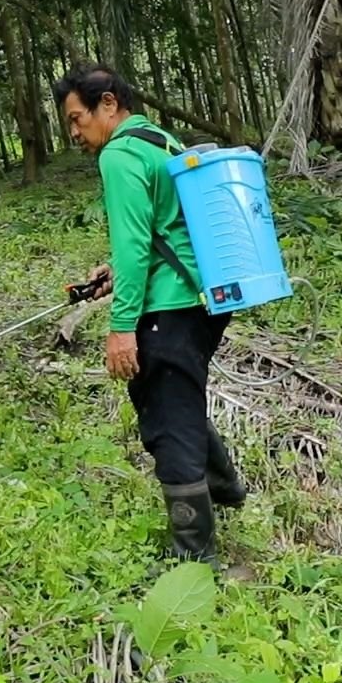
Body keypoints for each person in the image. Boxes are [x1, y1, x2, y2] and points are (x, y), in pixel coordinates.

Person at [53, 64, 245, 562]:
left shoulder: (118, 155)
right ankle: (224, 488)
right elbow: (166, 227)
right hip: (201, 301)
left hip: (169, 308)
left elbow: (136, 244)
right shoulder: (157, 139)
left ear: (109, 105)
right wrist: (116, 272)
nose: (75, 132)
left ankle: (195, 557)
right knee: (175, 398)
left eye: (77, 119)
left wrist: (121, 329)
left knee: (168, 420)